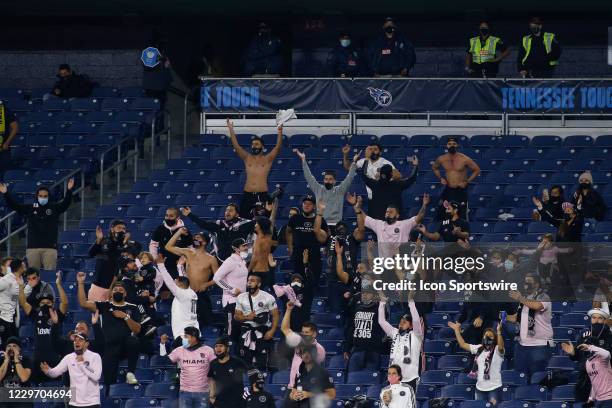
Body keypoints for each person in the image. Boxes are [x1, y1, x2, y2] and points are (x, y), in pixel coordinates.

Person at [77, 271, 142, 386]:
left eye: (121, 290)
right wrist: (81, 283)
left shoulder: (132, 308)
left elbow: (137, 330)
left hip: (125, 346)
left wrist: (126, 317)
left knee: (134, 340)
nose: (118, 292)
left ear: (125, 294)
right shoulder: (104, 305)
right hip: (109, 347)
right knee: (109, 381)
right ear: (111, 293)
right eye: (115, 290)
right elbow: (83, 303)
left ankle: (130, 373)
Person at [0, 179, 75, 270]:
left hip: (50, 248)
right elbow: (15, 206)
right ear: (37, 196)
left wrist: (69, 190)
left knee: (50, 274)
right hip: (33, 248)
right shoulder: (30, 208)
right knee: (33, 275)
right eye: (40, 196)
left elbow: (65, 204)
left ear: (48, 197)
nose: (42, 198)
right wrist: (6, 193)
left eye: (45, 196)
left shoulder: (55, 208)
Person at [227, 120, 283, 218]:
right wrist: (231, 129)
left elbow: (277, 148)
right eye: (253, 144)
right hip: (247, 194)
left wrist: (280, 131)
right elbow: (237, 146)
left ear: (262, 146)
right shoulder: (247, 157)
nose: (254, 146)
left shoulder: (267, 159)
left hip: (262, 195)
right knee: (243, 220)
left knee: (263, 221)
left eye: (256, 144)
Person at [18, 271, 67, 382]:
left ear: (53, 303)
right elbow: (23, 303)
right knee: (38, 391)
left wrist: (58, 284)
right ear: (39, 305)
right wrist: (21, 287)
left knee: (56, 390)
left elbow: (65, 303)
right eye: (42, 303)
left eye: (48, 302)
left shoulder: (57, 315)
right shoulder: (36, 314)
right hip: (38, 359)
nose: (45, 304)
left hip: (55, 359)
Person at [166, 228, 218, 330]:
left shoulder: (211, 259)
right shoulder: (188, 252)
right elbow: (168, 247)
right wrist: (179, 232)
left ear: (204, 242)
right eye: (194, 237)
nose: (195, 239)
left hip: (201, 295)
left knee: (206, 323)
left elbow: (218, 278)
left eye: (198, 238)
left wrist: (206, 284)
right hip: (186, 293)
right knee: (183, 322)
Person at [355, 193, 429, 260]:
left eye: (391, 212)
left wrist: (424, 204)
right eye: (387, 212)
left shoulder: (404, 225)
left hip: (401, 265)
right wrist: (357, 206)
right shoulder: (378, 225)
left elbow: (420, 217)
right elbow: (364, 218)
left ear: (397, 215)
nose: (388, 214)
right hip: (385, 267)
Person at [296, 148, 358, 228]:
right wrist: (303, 160)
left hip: (336, 225)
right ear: (323, 180)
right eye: (326, 179)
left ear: (335, 181)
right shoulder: (318, 188)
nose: (328, 181)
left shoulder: (340, 190)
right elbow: (308, 176)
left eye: (330, 179)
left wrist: (354, 162)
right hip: (320, 224)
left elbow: (350, 177)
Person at [506, 273, 553, 380]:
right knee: (520, 377)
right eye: (525, 281)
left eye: (529, 281)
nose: (526, 284)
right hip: (522, 346)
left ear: (536, 284)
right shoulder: (525, 299)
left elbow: (537, 306)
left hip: (539, 345)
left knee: (538, 377)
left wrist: (519, 297)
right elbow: (517, 317)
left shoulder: (544, 296)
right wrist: (504, 316)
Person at [562, 308, 612, 407]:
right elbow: (578, 356)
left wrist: (593, 346)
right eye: (593, 318)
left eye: (600, 318)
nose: (596, 320)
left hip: (604, 379)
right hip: (585, 378)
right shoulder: (583, 336)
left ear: (604, 320)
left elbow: (608, 355)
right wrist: (573, 353)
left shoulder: (609, 337)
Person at [41, 332, 102, 408]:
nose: (77, 342)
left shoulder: (95, 357)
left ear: (87, 344)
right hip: (74, 403)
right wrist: (48, 371)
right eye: (75, 340)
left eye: (80, 340)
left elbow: (96, 376)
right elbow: (55, 372)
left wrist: (82, 364)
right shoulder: (69, 358)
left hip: (92, 403)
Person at [450, 322, 505, 406]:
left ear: (495, 339)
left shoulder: (497, 350)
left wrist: (499, 332)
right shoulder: (479, 348)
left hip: (494, 388)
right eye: (486, 335)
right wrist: (456, 330)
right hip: (479, 388)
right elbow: (463, 345)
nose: (487, 337)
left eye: (490, 336)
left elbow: (501, 346)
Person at [378, 293, 423, 391]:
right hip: (394, 378)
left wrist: (411, 302)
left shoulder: (416, 335)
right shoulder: (394, 332)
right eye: (401, 321)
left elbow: (416, 320)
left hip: (410, 379)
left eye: (405, 322)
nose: (401, 323)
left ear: (410, 326)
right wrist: (382, 303)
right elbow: (381, 321)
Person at [234, 274, 279, 370]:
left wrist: (272, 331)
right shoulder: (241, 297)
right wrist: (247, 317)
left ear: (259, 284)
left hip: (262, 330)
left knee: (262, 361)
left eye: (253, 281)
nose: (249, 283)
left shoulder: (268, 297)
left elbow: (275, 315)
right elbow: (236, 316)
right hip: (246, 330)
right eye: (248, 280)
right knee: (245, 361)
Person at [183, 204, 256, 263]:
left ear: (237, 214)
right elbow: (203, 224)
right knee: (218, 280)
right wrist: (190, 214)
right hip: (220, 260)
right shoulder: (219, 224)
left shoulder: (245, 224)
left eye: (230, 211)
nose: (227, 212)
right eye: (226, 210)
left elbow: (261, 224)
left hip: (238, 261)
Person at [88, 220, 139, 302]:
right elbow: (91, 254)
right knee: (95, 313)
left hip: (116, 289)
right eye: (119, 228)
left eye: (124, 229)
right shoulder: (104, 241)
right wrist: (98, 240)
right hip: (98, 285)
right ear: (112, 229)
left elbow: (119, 266)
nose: (122, 230)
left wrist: (125, 243)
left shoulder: (127, 246)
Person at [432, 137, 481, 221]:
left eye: (454, 144)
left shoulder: (464, 159)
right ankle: (444, 230)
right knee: (442, 211)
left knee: (461, 213)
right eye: (449, 144)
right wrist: (441, 178)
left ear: (457, 145)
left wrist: (467, 181)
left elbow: (477, 170)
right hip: (448, 189)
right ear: (446, 145)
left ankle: (461, 230)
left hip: (460, 189)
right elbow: (434, 167)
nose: (452, 146)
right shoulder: (442, 159)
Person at [280, 302, 326, 389]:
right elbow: (284, 328)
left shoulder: (319, 349)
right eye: (303, 332)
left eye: (307, 333)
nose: (304, 335)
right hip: (292, 388)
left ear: (314, 334)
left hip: (308, 388)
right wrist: (289, 310)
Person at [156, 254, 199, 346]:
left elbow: (169, 282)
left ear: (180, 285)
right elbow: (184, 280)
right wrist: (179, 266)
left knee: (183, 359)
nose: (174, 284)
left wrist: (161, 265)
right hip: (192, 332)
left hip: (184, 335)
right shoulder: (190, 292)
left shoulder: (182, 294)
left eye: (176, 282)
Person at [168, 326, 216, 408]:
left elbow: (216, 368)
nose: (184, 339)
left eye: (186, 336)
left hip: (203, 392)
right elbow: (169, 360)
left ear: (194, 338)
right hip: (185, 392)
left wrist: (213, 391)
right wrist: (164, 345)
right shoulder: (179, 350)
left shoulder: (208, 350)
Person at [358, 154, 418, 220]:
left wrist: (366, 161)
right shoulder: (398, 184)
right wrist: (415, 165)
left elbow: (363, 175)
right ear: (391, 174)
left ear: (380, 173)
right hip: (394, 220)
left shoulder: (374, 184)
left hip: (378, 221)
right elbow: (412, 178)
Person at [213, 238, 250, 346]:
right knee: (231, 332)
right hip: (231, 302)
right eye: (243, 246)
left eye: (246, 245)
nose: (246, 248)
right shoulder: (230, 261)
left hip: (242, 302)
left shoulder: (242, 261)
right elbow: (217, 278)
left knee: (240, 332)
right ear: (236, 248)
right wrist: (231, 289)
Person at [286, 196, 329, 287]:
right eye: (305, 203)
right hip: (298, 255)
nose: (306, 205)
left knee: (312, 283)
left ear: (314, 207)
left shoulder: (320, 220)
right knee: (297, 284)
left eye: (309, 204)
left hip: (314, 257)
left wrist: (326, 248)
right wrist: (290, 247)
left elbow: (327, 236)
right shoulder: (295, 218)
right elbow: (288, 231)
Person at [344, 286, 385, 372]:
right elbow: (352, 328)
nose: (364, 295)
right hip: (357, 349)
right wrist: (347, 348)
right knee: (352, 378)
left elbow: (383, 325)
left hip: (373, 351)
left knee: (371, 381)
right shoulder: (357, 308)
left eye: (367, 293)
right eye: (363, 293)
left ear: (373, 295)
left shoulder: (379, 309)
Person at [150, 207, 193, 278]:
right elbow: (153, 244)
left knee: (180, 285)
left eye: (171, 216)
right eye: (166, 215)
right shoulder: (160, 228)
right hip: (165, 262)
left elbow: (190, 247)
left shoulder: (184, 230)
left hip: (180, 263)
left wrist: (186, 259)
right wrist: (155, 258)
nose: (168, 218)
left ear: (178, 217)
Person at [208, 335, 250, 408]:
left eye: (221, 346)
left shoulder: (237, 362)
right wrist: (211, 395)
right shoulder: (213, 363)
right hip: (220, 402)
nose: (218, 349)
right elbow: (211, 379)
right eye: (216, 346)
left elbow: (250, 373)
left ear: (227, 349)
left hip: (237, 403)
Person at [0, 258, 24, 347]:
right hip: (3, 317)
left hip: (13, 316)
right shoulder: (6, 280)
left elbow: (17, 296)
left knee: (14, 343)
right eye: (23, 266)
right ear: (20, 268)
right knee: (6, 344)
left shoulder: (20, 279)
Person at [0, 337, 32, 402]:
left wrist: (16, 359)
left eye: (14, 346)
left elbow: (24, 378)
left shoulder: (26, 359)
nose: (11, 348)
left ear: (19, 349)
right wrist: (6, 361)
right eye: (9, 346)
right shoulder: (1, 360)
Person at [249, 217, 275, 291]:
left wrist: (247, 270)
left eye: (257, 223)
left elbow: (255, 257)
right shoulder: (268, 237)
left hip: (257, 272)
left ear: (261, 226)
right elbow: (271, 223)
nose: (255, 225)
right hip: (266, 272)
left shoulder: (259, 240)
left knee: (253, 297)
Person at [0, 101, 19, 180]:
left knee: (4, 175)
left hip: (2, 150)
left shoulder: (4, 111)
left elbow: (15, 127)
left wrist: (7, 142)